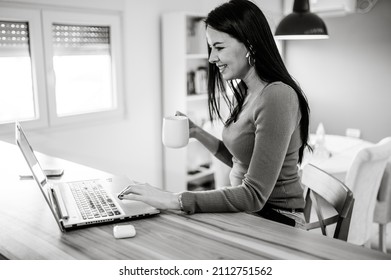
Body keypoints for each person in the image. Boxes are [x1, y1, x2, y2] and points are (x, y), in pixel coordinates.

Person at [121, 0, 311, 228]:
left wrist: (174, 198)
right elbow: (239, 159)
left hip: (278, 219)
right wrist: (197, 132)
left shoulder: (277, 95)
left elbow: (254, 195)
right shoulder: (245, 90)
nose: (211, 58)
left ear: (250, 45)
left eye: (219, 48)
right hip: (251, 213)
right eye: (211, 48)